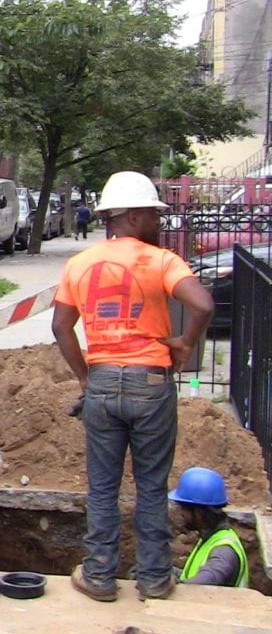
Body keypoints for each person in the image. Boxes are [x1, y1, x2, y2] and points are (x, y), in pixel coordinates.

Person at [51, 171, 214, 603]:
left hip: (103, 383)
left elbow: (61, 326)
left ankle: (100, 577)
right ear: (135, 215)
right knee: (151, 486)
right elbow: (202, 304)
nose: (159, 223)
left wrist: (86, 377)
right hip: (152, 383)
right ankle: (156, 578)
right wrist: (184, 343)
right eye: (154, 215)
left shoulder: (79, 264)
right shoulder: (160, 261)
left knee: (103, 488)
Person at [169, 467, 249, 588]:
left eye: (184, 509)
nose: (182, 514)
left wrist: (170, 584)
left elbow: (207, 580)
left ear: (199, 513)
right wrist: (161, 572)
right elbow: (191, 577)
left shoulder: (223, 550)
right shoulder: (210, 538)